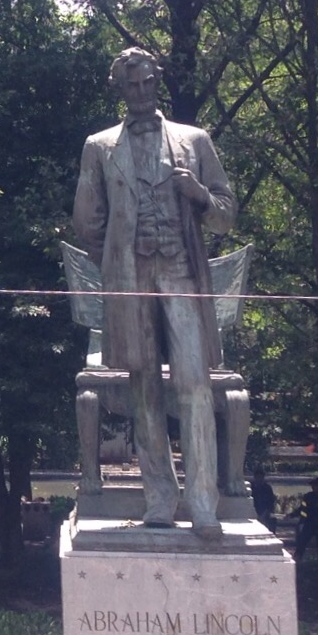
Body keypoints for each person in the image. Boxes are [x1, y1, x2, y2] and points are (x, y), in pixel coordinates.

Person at [73, 45, 237, 535]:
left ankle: (203, 503)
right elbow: (87, 221)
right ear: (120, 90)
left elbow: (227, 215)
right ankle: (159, 498)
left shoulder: (195, 140)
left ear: (157, 80)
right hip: (131, 278)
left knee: (194, 383)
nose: (141, 92)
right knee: (142, 384)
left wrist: (200, 195)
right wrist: (118, 258)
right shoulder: (99, 146)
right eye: (132, 85)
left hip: (182, 272)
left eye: (147, 82)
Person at [249, 462, 278, 528]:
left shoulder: (267, 488)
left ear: (263, 477)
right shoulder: (251, 487)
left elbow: (270, 503)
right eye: (257, 477)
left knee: (271, 520)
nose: (259, 479)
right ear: (254, 477)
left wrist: (264, 515)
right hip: (252, 513)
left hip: (265, 514)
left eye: (260, 477)